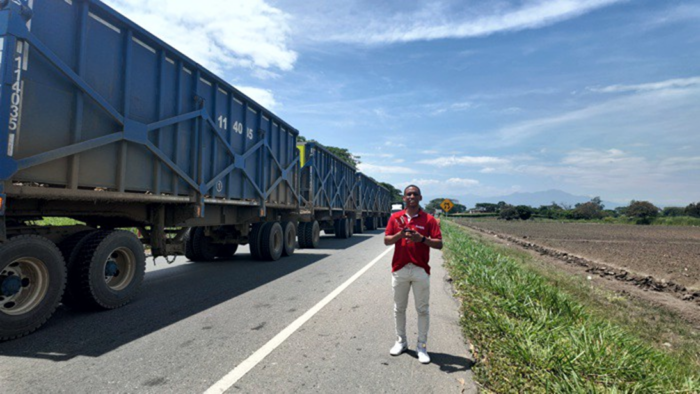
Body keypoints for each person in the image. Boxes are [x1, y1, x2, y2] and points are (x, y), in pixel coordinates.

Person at [384, 185, 443, 364]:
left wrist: (422, 239)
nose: (411, 197)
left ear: (420, 197)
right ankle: (401, 342)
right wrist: (400, 235)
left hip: (420, 269)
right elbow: (387, 240)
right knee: (399, 308)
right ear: (404, 198)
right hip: (400, 268)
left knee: (422, 310)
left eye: (415, 194)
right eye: (408, 194)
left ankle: (422, 346)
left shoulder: (429, 220)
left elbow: (439, 244)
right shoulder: (395, 218)